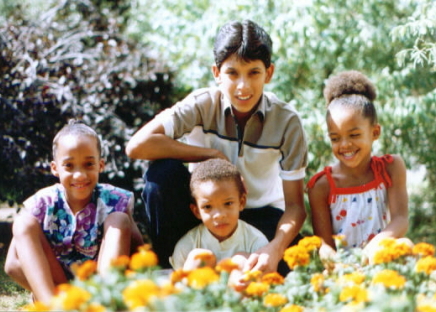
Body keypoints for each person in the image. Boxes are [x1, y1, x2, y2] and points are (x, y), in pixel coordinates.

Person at [126, 20, 308, 273]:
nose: (243, 86)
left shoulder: (287, 121)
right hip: (207, 211)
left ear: (269, 73)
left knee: (281, 267)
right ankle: (170, 266)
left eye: (253, 73)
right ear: (216, 73)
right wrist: (209, 154)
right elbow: (136, 146)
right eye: (232, 73)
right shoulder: (202, 104)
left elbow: (296, 207)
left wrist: (274, 249)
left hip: (260, 215)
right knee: (161, 175)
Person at [4, 119, 143, 304]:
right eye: (69, 166)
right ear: (55, 168)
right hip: (56, 289)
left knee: (119, 220)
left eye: (88, 165)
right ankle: (54, 307)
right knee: (23, 222)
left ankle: (101, 302)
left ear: (101, 165)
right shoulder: (41, 204)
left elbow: (137, 250)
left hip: (99, 286)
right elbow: (13, 265)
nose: (80, 175)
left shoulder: (115, 200)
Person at [306, 70, 410, 262]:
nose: (345, 145)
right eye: (335, 138)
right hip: (344, 269)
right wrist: (338, 267)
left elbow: (400, 219)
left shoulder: (390, 168)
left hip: (380, 255)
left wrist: (372, 250)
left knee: (406, 246)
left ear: (375, 132)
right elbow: (325, 245)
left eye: (354, 135)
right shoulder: (321, 186)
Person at [170, 158, 268, 273]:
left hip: (240, 289)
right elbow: (176, 285)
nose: (219, 215)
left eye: (228, 204)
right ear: (196, 211)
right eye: (208, 207)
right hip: (200, 289)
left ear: (241, 203)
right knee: (199, 257)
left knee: (242, 260)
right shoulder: (188, 245)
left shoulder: (256, 242)